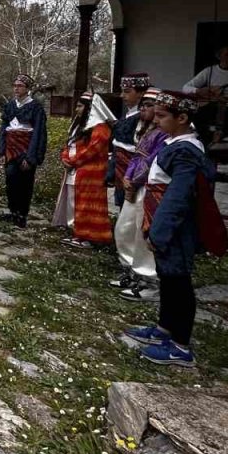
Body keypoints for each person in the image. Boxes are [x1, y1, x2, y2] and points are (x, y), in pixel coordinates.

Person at [123, 91, 218, 368]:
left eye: (163, 116)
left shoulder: (187, 151)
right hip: (160, 220)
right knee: (167, 277)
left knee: (178, 282)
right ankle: (164, 328)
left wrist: (159, 231)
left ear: (183, 118)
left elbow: (177, 196)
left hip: (175, 227)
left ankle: (180, 345)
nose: (157, 119)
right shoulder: (174, 143)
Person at [116, 88, 165, 300]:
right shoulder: (145, 130)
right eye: (142, 105)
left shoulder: (163, 134)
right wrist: (127, 176)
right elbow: (136, 157)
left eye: (149, 105)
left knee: (142, 232)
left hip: (147, 186)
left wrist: (134, 180)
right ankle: (129, 268)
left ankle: (148, 280)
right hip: (133, 184)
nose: (144, 109)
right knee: (123, 228)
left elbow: (152, 160)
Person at [55, 91, 116, 248]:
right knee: (75, 202)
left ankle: (91, 237)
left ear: (90, 108)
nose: (77, 109)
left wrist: (73, 161)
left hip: (92, 173)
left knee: (89, 205)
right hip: (76, 171)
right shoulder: (78, 126)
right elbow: (69, 144)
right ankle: (78, 232)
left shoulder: (101, 128)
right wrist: (65, 157)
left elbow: (92, 149)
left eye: (80, 106)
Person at [0, 74, 48, 227]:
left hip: (26, 149)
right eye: (15, 85)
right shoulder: (10, 105)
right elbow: (3, 129)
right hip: (10, 148)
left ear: (27, 89)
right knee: (10, 179)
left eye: (20, 86)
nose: (16, 88)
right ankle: (13, 211)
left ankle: (22, 214)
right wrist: (2, 151)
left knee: (25, 182)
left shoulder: (36, 107)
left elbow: (38, 133)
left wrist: (31, 157)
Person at [107, 73, 151, 208]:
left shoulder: (142, 119)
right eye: (122, 91)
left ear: (141, 93)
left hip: (133, 173)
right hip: (120, 170)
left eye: (127, 92)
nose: (122, 96)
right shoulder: (127, 115)